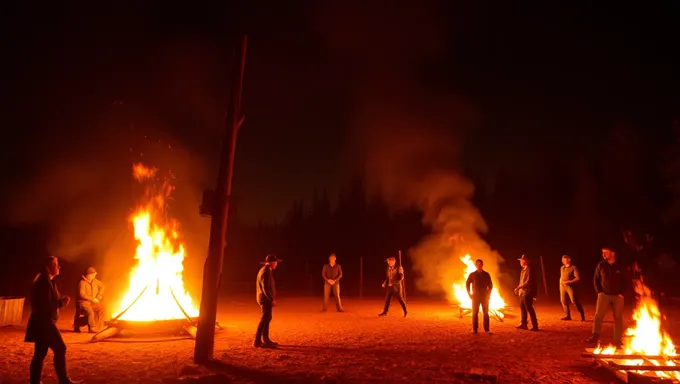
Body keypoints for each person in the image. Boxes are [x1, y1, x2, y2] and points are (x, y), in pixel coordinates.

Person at [25, 256, 80, 384]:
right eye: (55, 264)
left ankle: (35, 381)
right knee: (60, 348)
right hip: (44, 323)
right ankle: (63, 380)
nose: (59, 267)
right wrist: (61, 303)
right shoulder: (43, 283)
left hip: (43, 322)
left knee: (40, 353)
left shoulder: (49, 282)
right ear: (47, 267)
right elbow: (45, 304)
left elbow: (51, 300)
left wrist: (60, 301)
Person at [586, 247, 628, 347]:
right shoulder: (601, 265)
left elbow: (626, 280)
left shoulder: (620, 266)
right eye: (602, 253)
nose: (603, 255)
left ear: (612, 253)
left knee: (618, 318)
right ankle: (595, 336)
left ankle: (618, 340)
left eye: (605, 253)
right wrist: (599, 292)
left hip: (617, 297)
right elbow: (596, 279)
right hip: (604, 295)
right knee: (598, 316)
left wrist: (622, 293)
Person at [255, 254, 282, 348]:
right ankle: (257, 341)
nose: (276, 264)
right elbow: (265, 288)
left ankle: (266, 339)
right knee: (264, 319)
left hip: (266, 299)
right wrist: (271, 299)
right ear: (271, 263)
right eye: (276, 262)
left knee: (267, 318)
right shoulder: (265, 272)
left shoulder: (267, 270)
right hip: (264, 299)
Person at [466, 259, 493, 334]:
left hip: (484, 296)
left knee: (486, 313)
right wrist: (469, 294)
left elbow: (490, 285)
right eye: (477, 264)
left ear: (482, 265)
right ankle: (474, 329)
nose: (478, 265)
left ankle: (487, 329)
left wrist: (488, 294)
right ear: (475, 265)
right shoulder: (472, 274)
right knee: (475, 313)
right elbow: (467, 283)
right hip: (475, 297)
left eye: (480, 264)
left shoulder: (486, 274)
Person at [74, 266, 105, 333]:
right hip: (83, 303)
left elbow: (102, 286)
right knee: (90, 312)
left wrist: (99, 296)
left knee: (101, 308)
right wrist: (92, 299)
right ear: (87, 275)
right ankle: (91, 328)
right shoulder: (82, 283)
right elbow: (81, 294)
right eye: (92, 275)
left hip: (92, 302)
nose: (94, 276)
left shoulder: (95, 281)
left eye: (94, 274)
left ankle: (99, 326)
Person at [514, 254, 539, 331]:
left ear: (525, 261)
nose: (520, 262)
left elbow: (528, 282)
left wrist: (518, 287)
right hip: (523, 291)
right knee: (522, 306)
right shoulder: (523, 270)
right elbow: (521, 281)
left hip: (528, 291)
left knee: (529, 307)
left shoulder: (530, 269)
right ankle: (523, 323)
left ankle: (535, 326)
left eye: (521, 260)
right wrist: (519, 290)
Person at [559, 255, 585, 321]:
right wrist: (561, 283)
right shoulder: (562, 268)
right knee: (563, 301)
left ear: (569, 259)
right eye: (562, 259)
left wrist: (569, 281)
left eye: (565, 259)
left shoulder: (573, 268)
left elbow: (578, 278)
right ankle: (567, 316)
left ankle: (582, 314)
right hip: (562, 286)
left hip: (570, 286)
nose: (563, 261)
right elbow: (561, 276)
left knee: (574, 301)